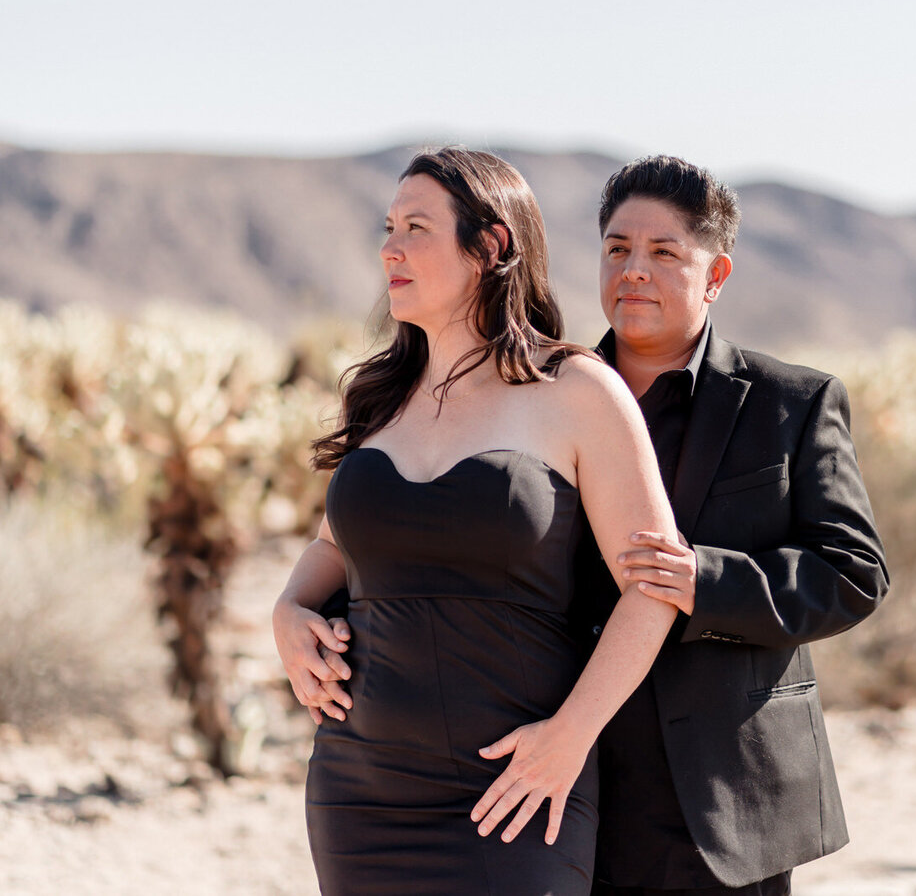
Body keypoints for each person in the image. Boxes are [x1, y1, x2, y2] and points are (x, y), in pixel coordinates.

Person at [271, 146, 682, 895]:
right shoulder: (379, 399)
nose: (389, 248)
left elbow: (655, 585)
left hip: (516, 792)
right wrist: (288, 610)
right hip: (360, 792)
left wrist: (571, 736)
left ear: (489, 246)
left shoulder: (577, 389)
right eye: (388, 227)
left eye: (416, 228)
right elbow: (336, 547)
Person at [581, 155, 888, 896]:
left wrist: (702, 579)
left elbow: (853, 571)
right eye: (618, 249)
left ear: (715, 275)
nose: (634, 270)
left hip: (728, 795)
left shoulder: (794, 402)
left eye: (663, 253)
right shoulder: (554, 400)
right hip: (579, 781)